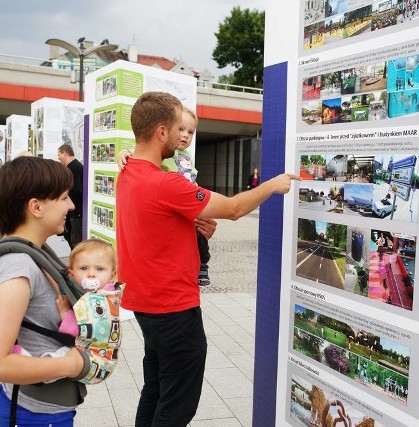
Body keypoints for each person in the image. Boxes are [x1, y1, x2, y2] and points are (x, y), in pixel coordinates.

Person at [116, 91, 298, 425]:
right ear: (161, 132)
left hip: (145, 303)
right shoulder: (165, 183)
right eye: (177, 128)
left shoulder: (127, 172)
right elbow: (234, 208)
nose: (181, 135)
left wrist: (193, 228)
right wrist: (272, 185)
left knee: (156, 388)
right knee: (177, 405)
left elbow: (157, 224)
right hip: (173, 307)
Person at [0, 156, 87, 426]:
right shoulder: (18, 268)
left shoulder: (33, 255)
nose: (71, 206)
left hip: (44, 408)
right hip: (34, 414)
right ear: (36, 207)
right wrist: (71, 365)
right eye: (63, 197)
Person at [118, 106, 212, 286]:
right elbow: (135, 153)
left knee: (200, 235)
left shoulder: (187, 156)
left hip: (188, 202)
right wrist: (123, 154)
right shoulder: (166, 152)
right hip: (173, 203)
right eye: (181, 129)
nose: (185, 135)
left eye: (190, 132)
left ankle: (203, 264)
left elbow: (191, 178)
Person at [13, 239, 118, 357]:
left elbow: (79, 330)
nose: (91, 274)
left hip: (96, 355)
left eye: (99, 269)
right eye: (84, 268)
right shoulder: (87, 293)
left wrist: (64, 313)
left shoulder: (104, 299)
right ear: (72, 274)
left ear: (111, 275)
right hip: (97, 352)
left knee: (62, 355)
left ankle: (26, 358)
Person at [58, 144, 84, 248]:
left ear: (65, 153)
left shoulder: (73, 167)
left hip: (76, 213)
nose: (58, 157)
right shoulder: (73, 166)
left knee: (75, 240)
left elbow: (76, 191)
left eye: (59, 154)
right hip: (74, 213)